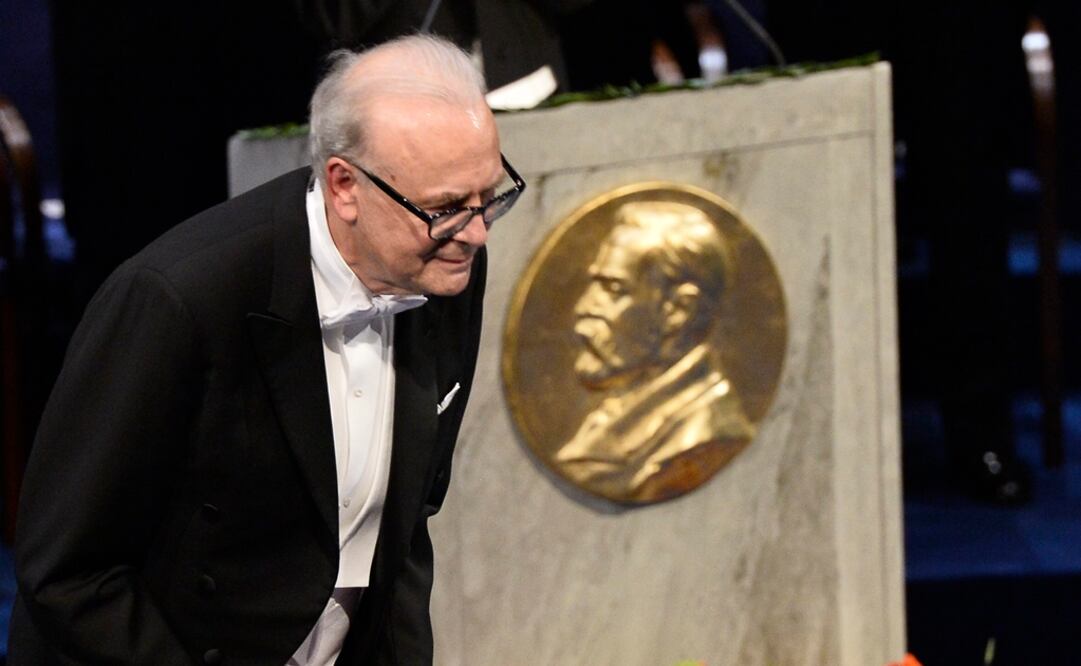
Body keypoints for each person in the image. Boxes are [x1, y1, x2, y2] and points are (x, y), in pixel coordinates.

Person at [9, 34, 523, 665]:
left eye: (490, 195)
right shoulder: (179, 299)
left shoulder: (443, 265)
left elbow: (404, 534)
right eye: (446, 207)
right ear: (344, 186)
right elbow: (66, 573)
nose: (475, 231)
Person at [556, 201, 753, 503]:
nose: (584, 307)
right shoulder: (619, 409)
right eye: (593, 285)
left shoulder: (705, 437)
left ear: (678, 309)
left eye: (612, 289)